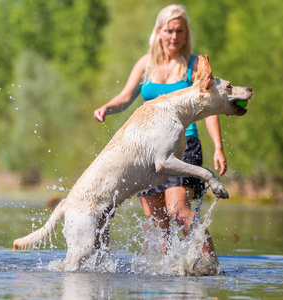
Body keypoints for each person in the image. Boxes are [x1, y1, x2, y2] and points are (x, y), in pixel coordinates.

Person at [93, 4, 226, 259]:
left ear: (186, 33)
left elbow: (209, 106)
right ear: (159, 32)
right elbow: (126, 96)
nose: (174, 37)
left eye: (179, 31)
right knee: (157, 222)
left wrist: (218, 148)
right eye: (169, 31)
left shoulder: (195, 64)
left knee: (177, 210)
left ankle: (210, 264)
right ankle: (164, 280)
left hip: (184, 144)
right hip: (149, 150)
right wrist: (107, 108)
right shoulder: (146, 64)